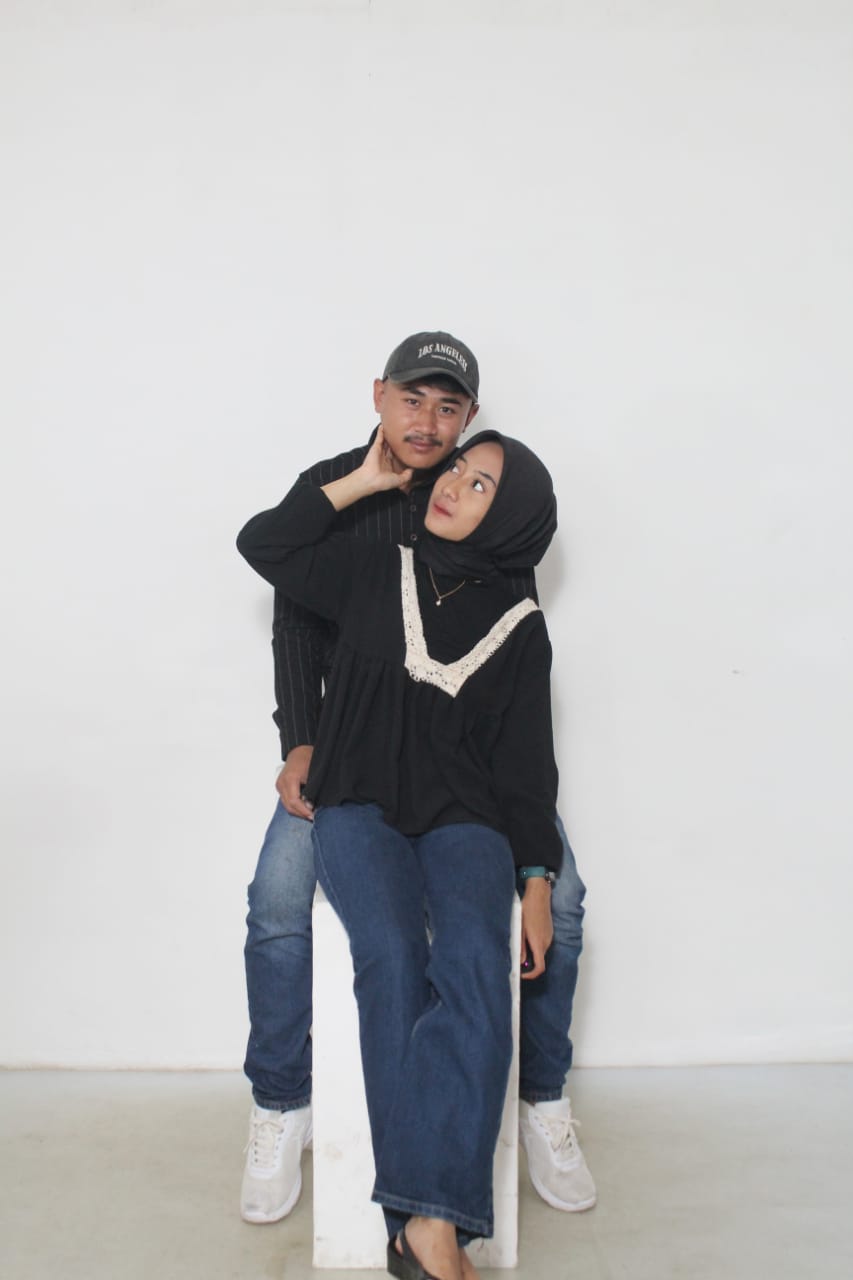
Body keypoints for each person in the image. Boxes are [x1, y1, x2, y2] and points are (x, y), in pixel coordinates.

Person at [239, 333, 595, 1226]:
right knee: (277, 901)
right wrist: (301, 740)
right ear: (379, 395)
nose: (428, 426)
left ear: (468, 417)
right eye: (411, 400)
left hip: (458, 769)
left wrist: (533, 865)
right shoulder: (338, 492)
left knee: (560, 900)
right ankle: (280, 1102)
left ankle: (540, 1093)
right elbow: (293, 620)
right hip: (347, 748)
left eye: (447, 408)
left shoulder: (496, 500)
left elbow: (508, 679)